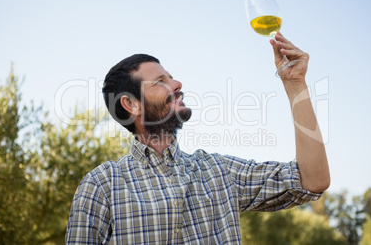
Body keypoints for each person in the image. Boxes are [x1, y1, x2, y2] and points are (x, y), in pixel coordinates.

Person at [66, 32, 330, 244]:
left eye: (171, 77)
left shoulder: (218, 172)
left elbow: (313, 180)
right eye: (160, 81)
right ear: (131, 105)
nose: (177, 83)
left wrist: (295, 85)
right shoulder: (102, 186)